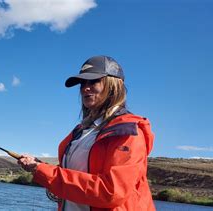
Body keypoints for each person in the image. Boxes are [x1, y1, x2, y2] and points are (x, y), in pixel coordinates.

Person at [18, 55, 155, 211]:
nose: (85, 88)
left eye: (93, 81)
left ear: (114, 84)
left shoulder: (128, 131)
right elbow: (75, 175)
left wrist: (44, 171)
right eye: (83, 83)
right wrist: (41, 166)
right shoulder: (80, 132)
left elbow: (111, 192)